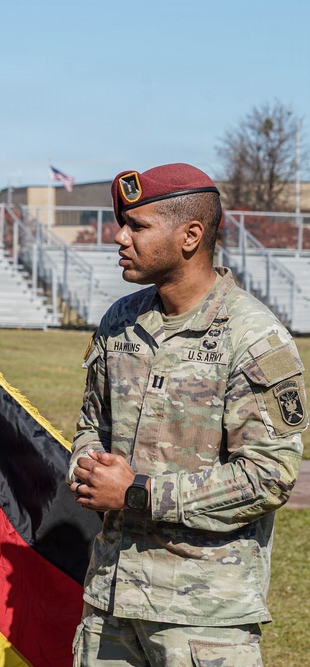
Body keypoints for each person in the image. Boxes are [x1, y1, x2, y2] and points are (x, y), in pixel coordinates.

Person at [69, 163, 305, 666]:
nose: (119, 237)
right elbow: (92, 423)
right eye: (123, 224)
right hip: (111, 603)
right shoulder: (121, 322)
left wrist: (137, 493)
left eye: (138, 226)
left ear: (190, 236)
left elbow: (268, 477)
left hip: (203, 618)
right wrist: (86, 467)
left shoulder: (253, 337)